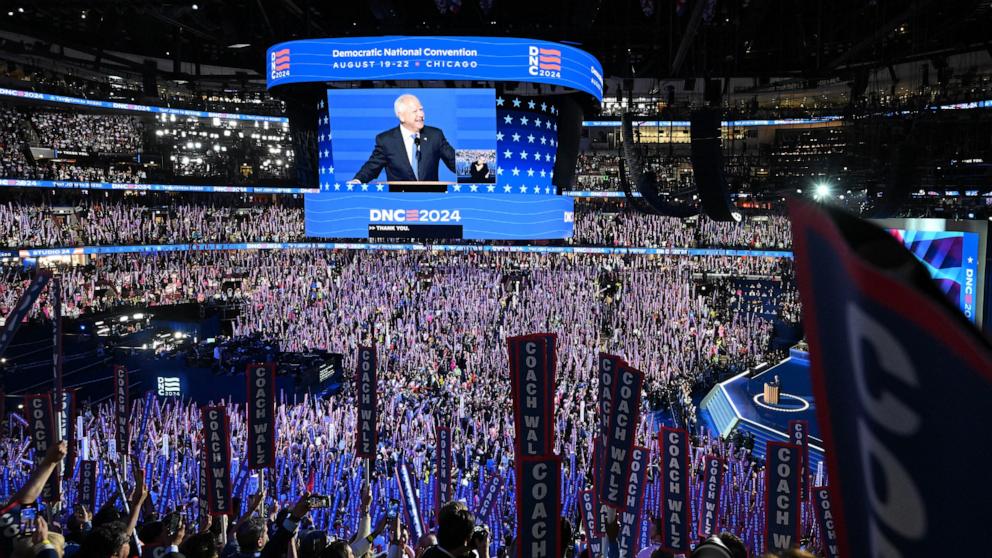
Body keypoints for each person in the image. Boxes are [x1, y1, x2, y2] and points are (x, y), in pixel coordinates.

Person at [350, 94, 456, 184]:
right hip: (399, 201)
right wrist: (357, 180)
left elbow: (454, 161)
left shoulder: (435, 135)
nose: (421, 114)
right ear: (401, 116)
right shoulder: (386, 140)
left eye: (421, 109)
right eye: (415, 111)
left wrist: (472, 165)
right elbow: (371, 167)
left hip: (431, 199)